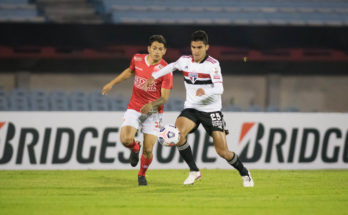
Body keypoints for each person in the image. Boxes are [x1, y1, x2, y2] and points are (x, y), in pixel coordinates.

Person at [143, 30, 254, 187]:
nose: (195, 51)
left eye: (199, 47)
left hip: (212, 111)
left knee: (223, 152)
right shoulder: (185, 60)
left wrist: (205, 92)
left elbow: (219, 89)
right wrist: (154, 76)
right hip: (192, 109)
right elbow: (172, 66)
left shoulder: (213, 65)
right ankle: (194, 171)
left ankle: (245, 173)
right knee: (178, 135)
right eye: (193, 47)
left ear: (207, 47)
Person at [102, 35, 173, 186]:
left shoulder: (166, 70)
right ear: (149, 49)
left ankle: (141, 175)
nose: (157, 51)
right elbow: (129, 72)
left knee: (148, 150)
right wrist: (111, 83)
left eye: (160, 49)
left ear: (164, 51)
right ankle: (135, 148)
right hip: (135, 107)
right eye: (154, 48)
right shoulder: (137, 59)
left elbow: (165, 98)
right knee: (125, 139)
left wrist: (151, 105)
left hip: (153, 113)